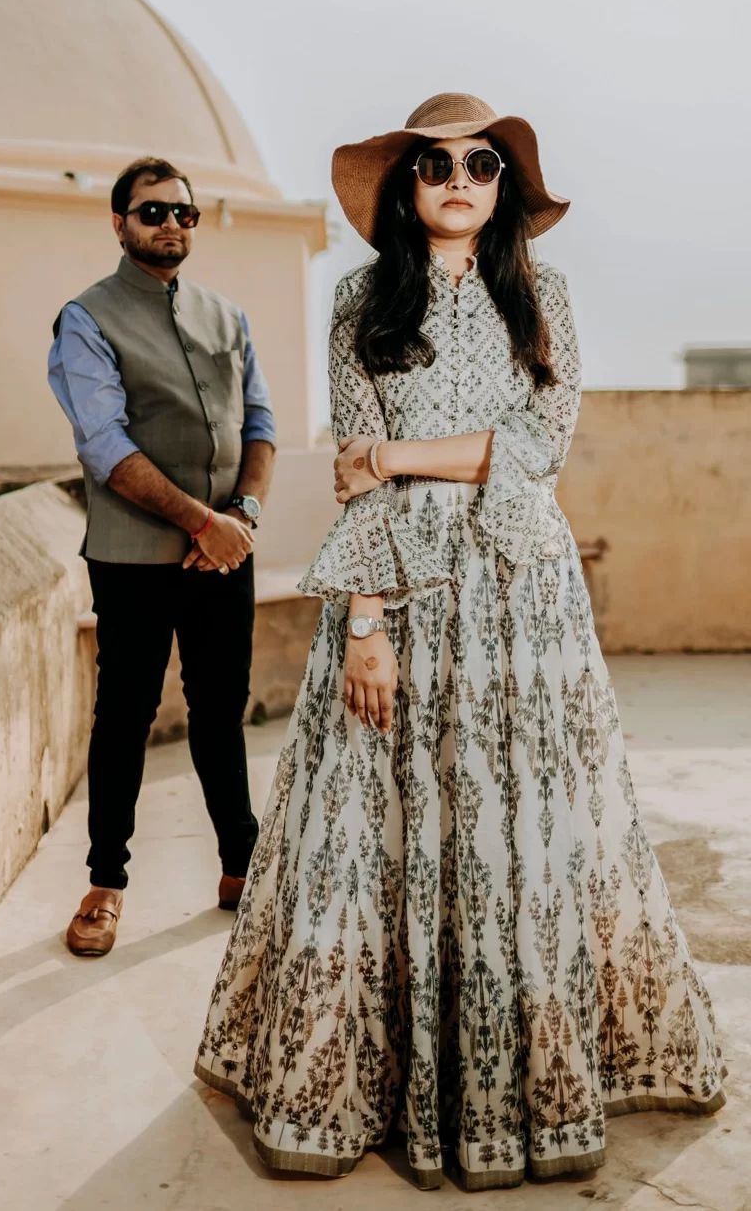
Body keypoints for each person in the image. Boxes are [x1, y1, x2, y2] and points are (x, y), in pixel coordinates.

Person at [193, 93, 726, 1190]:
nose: (457, 179)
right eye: (434, 163)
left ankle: (518, 1086)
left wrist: (394, 460)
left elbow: (536, 448)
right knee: (381, 826)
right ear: (404, 186)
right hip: (400, 589)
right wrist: (369, 622)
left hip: (524, 597)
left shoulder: (543, 297)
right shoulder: (359, 301)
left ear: (503, 190)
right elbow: (351, 456)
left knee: (527, 827)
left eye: (481, 163)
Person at [48, 155, 277, 957]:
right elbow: (105, 445)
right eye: (153, 213)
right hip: (135, 558)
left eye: (184, 213)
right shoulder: (87, 318)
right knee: (126, 718)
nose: (171, 225)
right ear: (119, 223)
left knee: (222, 711)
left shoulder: (226, 316)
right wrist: (200, 522)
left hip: (226, 552)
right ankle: (104, 885)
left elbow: (259, 423)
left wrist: (241, 514)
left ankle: (241, 867)